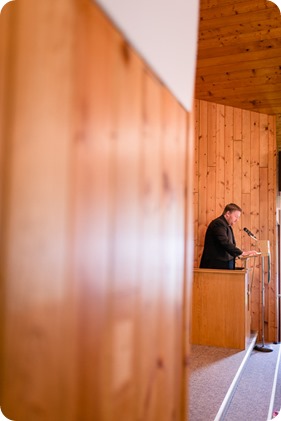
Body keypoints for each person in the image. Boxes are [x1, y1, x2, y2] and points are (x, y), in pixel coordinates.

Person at [199, 203, 259, 269]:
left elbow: (229, 245)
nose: (237, 220)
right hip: (216, 265)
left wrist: (239, 255)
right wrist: (242, 253)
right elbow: (224, 242)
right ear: (228, 214)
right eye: (236, 217)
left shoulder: (227, 225)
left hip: (224, 264)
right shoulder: (218, 223)